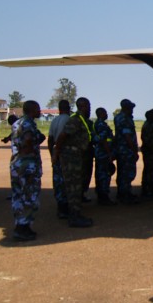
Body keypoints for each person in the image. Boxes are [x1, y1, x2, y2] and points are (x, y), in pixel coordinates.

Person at [52, 97, 94, 227]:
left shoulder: (81, 119)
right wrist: (56, 152)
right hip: (71, 158)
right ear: (83, 106)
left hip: (76, 156)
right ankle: (74, 217)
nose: (89, 108)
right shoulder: (75, 119)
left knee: (76, 185)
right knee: (73, 187)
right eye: (88, 106)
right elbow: (62, 136)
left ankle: (75, 214)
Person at [10, 100, 46, 241]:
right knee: (30, 195)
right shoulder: (28, 124)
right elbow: (28, 141)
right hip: (27, 164)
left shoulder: (16, 123)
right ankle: (24, 227)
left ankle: (19, 225)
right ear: (32, 110)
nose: (40, 111)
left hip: (16, 163)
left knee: (18, 195)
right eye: (38, 109)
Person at [114, 98, 140, 204]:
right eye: (130, 108)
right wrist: (134, 151)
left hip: (121, 150)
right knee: (126, 173)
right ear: (126, 108)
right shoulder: (124, 119)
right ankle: (125, 195)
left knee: (122, 173)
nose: (132, 110)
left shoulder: (118, 117)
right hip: (126, 150)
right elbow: (127, 136)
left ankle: (123, 193)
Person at [48, 100, 71, 218]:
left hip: (56, 154)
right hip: (65, 155)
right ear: (69, 108)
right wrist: (58, 151)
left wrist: (52, 154)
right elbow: (63, 136)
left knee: (57, 181)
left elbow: (50, 139)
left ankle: (60, 206)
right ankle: (65, 208)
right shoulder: (68, 119)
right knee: (66, 181)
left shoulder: (54, 120)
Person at [93, 107, 116, 205]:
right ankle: (104, 197)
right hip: (103, 154)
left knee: (100, 174)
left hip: (100, 153)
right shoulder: (101, 125)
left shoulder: (98, 124)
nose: (107, 114)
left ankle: (101, 196)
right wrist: (109, 153)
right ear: (101, 114)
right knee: (104, 175)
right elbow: (103, 140)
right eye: (105, 113)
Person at [140, 108, 153, 198]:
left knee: (149, 170)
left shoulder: (148, 124)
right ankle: (148, 189)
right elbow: (148, 140)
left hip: (149, 151)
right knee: (150, 170)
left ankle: (148, 188)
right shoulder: (151, 125)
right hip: (151, 151)